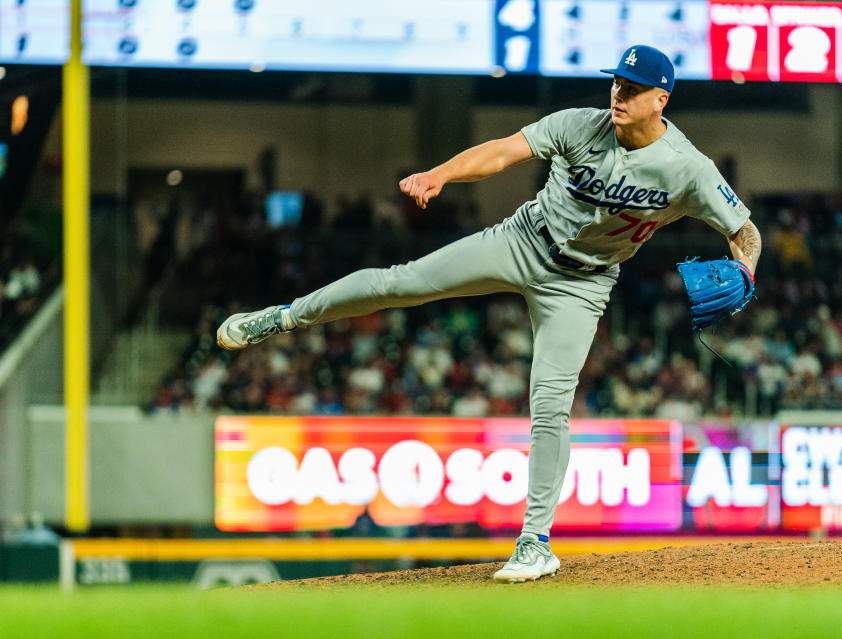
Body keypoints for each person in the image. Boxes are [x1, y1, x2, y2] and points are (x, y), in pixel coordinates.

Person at [217, 45, 762, 583]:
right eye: (618, 82)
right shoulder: (579, 123)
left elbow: (745, 231)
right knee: (401, 282)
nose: (619, 93)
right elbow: (503, 151)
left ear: (661, 99)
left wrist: (748, 270)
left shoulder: (689, 169)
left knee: (550, 407)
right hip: (522, 240)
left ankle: (535, 543)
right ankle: (284, 317)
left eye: (635, 88)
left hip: (582, 284)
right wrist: (441, 174)